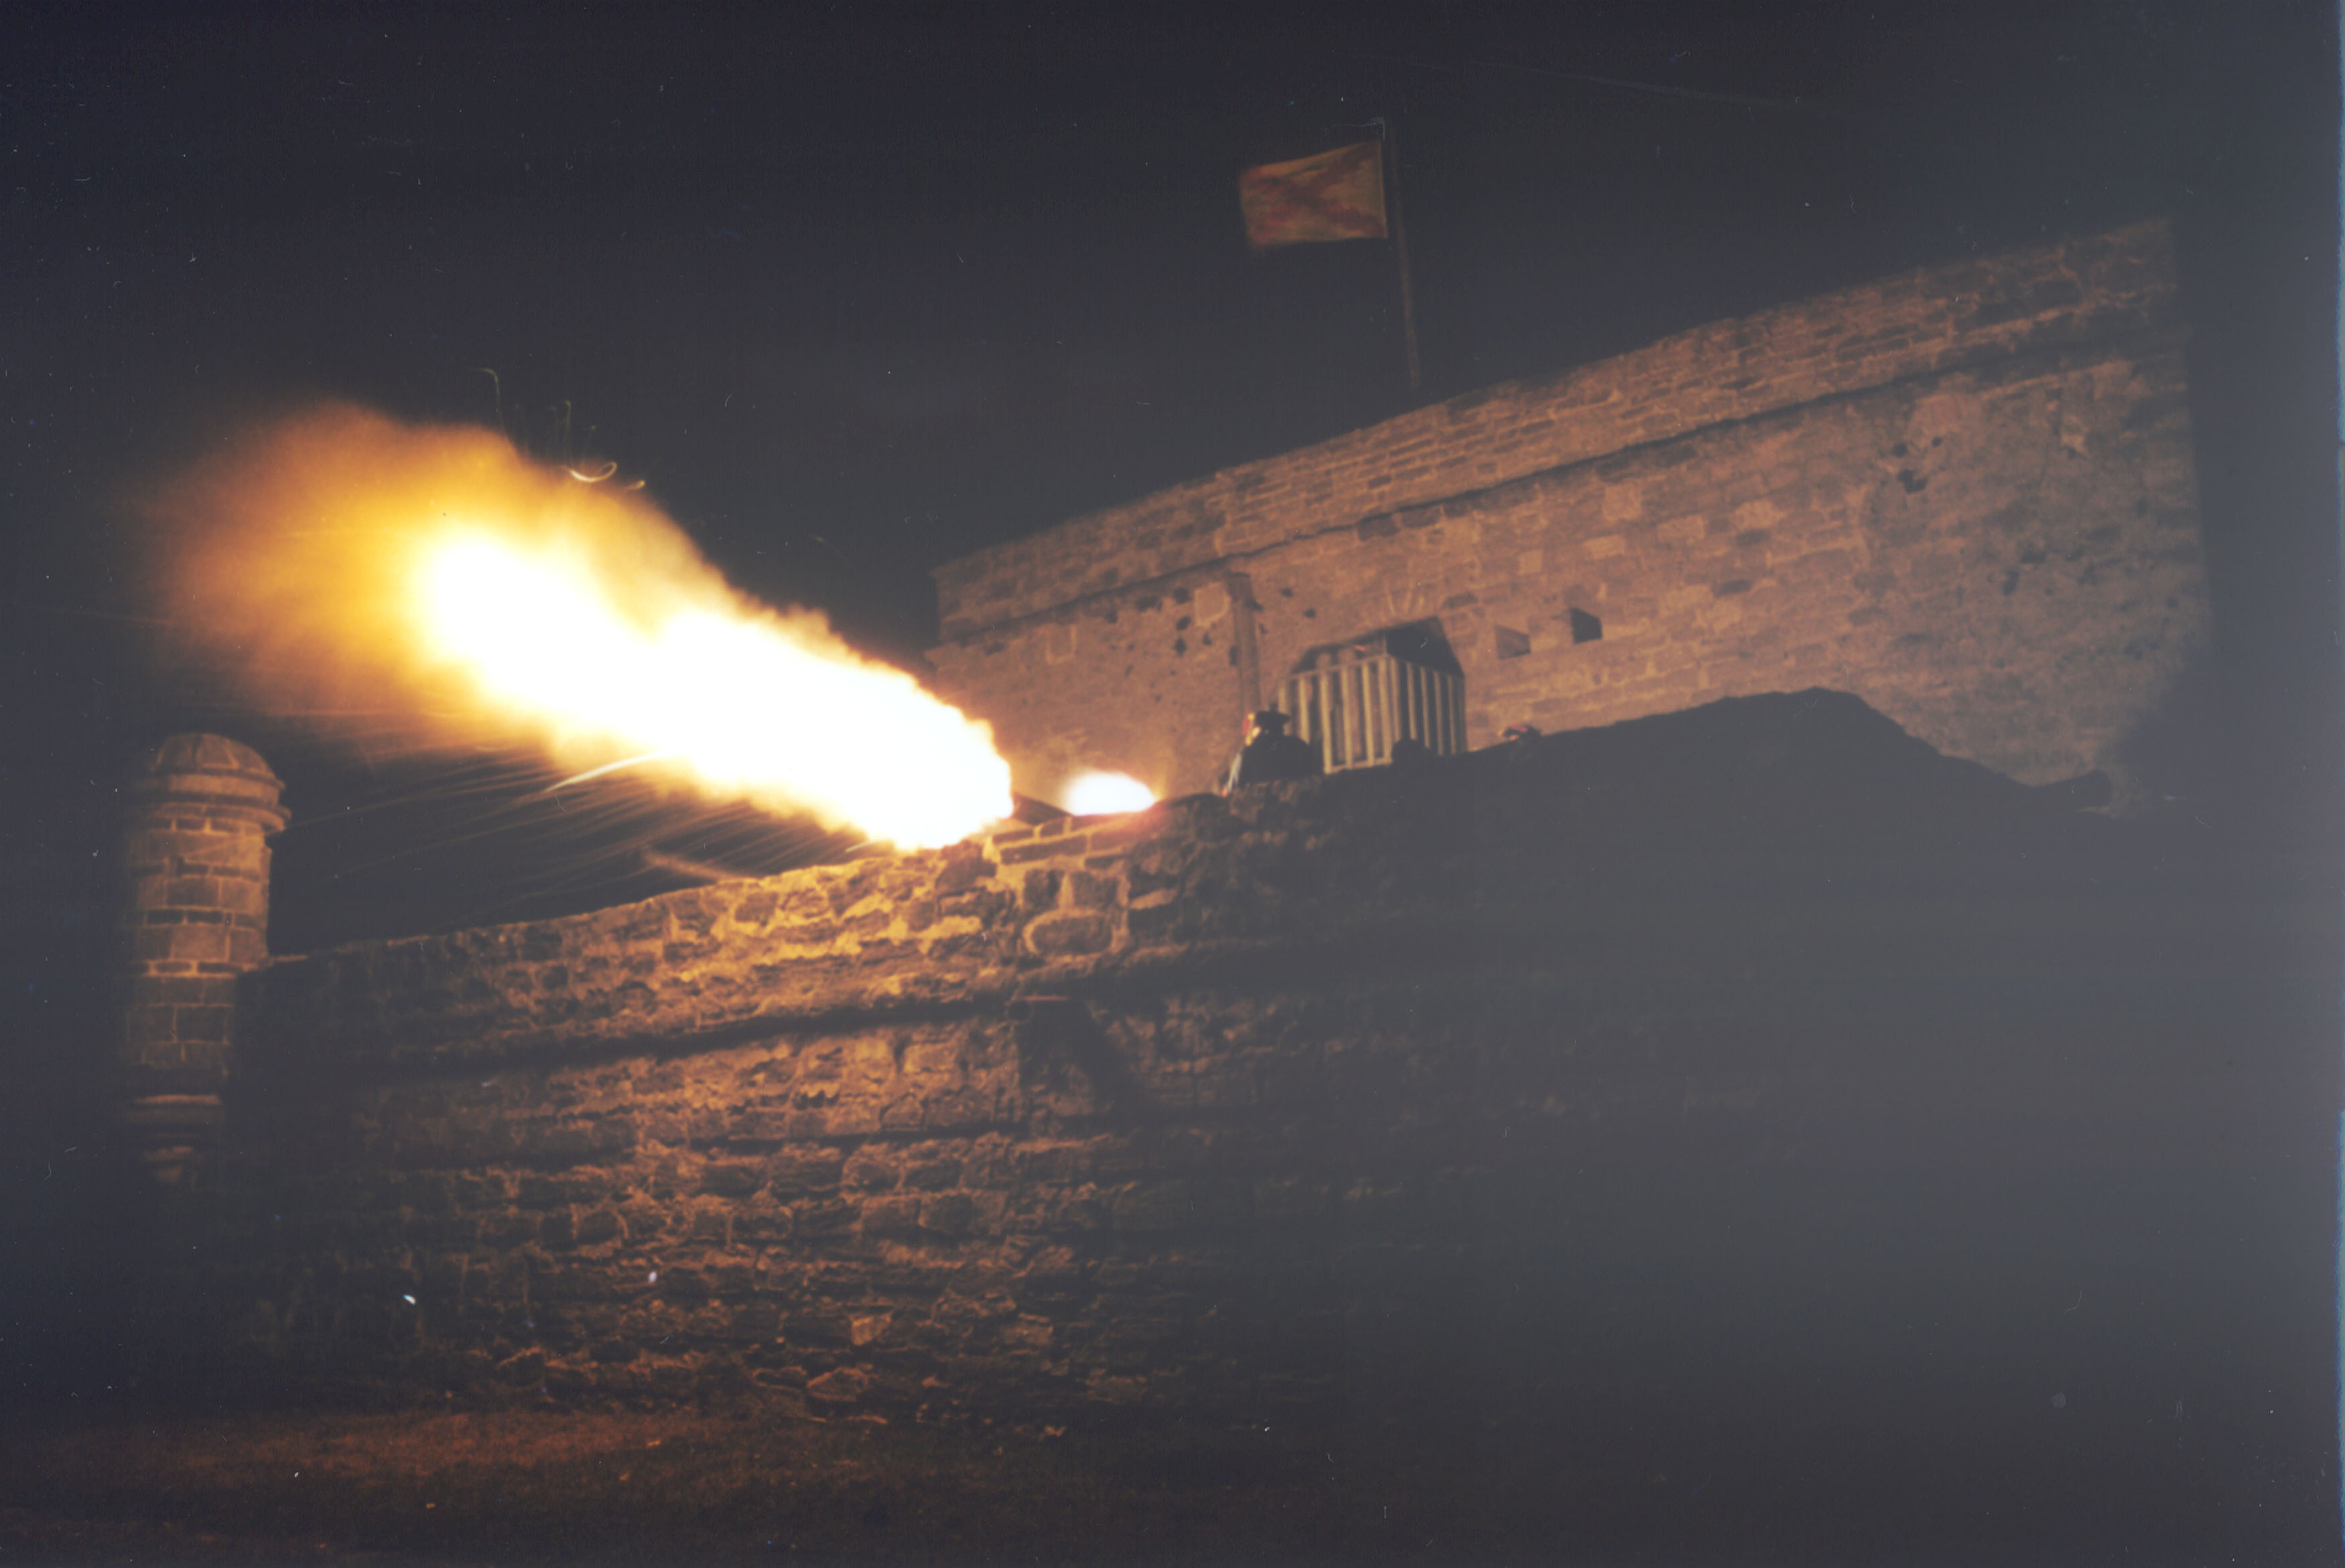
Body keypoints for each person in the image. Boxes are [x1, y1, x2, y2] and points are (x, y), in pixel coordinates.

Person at [1220, 709, 1322, 792]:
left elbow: (1233, 789)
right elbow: (1317, 777)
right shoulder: (1298, 746)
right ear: (1280, 729)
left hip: (1262, 811)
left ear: (1259, 730)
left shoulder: (1247, 754)